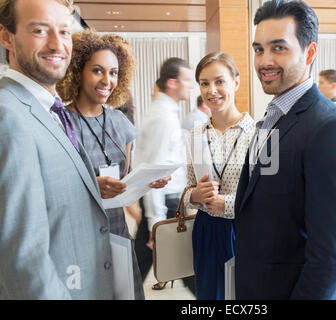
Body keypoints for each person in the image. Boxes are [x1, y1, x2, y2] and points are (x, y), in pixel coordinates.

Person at [234, 0, 336, 300]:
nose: (264, 60)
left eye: (279, 48)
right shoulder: (271, 116)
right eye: (258, 49)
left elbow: (331, 257)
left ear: (310, 52)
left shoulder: (331, 130)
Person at [0, 0, 115, 299]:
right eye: (40, 30)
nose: (57, 44)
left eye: (64, 32)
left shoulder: (49, 108)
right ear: (6, 37)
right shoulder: (7, 115)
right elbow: (24, 260)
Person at [56, 29, 170, 300]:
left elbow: (125, 181)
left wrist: (146, 182)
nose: (107, 80)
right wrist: (93, 186)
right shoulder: (61, 123)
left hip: (118, 234)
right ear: (78, 71)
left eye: (114, 72)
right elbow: (54, 187)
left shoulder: (121, 124)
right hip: (78, 236)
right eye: (97, 71)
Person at [184, 52, 255, 300]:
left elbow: (272, 200)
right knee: (209, 295)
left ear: (235, 82)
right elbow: (188, 190)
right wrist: (194, 195)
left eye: (219, 81)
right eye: (204, 83)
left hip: (246, 230)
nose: (212, 90)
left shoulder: (263, 135)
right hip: (206, 230)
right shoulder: (194, 135)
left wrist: (227, 203)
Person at [134, 57, 196, 292]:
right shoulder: (162, 117)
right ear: (172, 83)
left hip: (167, 203)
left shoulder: (166, 112)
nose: (191, 85)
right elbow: (154, 175)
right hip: (165, 205)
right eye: (187, 80)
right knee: (189, 269)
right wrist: (156, 222)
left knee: (140, 266)